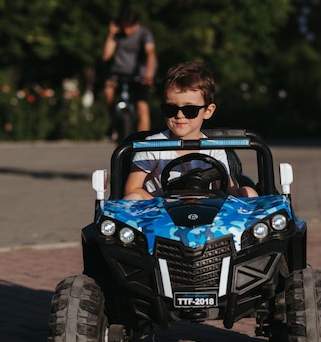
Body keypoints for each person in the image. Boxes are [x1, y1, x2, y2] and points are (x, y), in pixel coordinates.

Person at [124, 61, 259, 200]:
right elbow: (132, 188)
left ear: (208, 111)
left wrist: (244, 194)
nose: (179, 115)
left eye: (190, 110)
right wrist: (163, 203)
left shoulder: (214, 149)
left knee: (249, 193)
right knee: (132, 197)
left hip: (205, 213)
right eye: (171, 109)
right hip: (160, 216)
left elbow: (228, 191)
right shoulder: (153, 145)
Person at [102, 7, 157, 134]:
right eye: (124, 26)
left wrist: (149, 73)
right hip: (118, 72)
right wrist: (111, 34)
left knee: (142, 106)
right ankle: (115, 122)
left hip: (139, 74)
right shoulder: (118, 34)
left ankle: (144, 140)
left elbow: (150, 53)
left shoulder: (144, 33)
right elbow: (106, 56)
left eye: (128, 27)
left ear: (135, 24)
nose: (126, 30)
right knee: (108, 91)